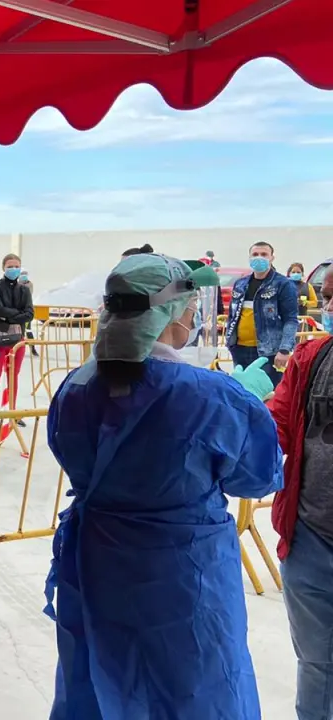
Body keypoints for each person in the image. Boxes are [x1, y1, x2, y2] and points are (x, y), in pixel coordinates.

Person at [44, 253, 282, 719]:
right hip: (184, 573)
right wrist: (250, 403)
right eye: (190, 307)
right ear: (171, 314)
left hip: (97, 564)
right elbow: (257, 478)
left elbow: (67, 451)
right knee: (195, 689)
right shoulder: (209, 394)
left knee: (100, 682)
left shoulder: (75, 387)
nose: (194, 317)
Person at [268, 292, 333, 720]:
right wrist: (238, 415)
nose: (329, 307)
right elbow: (277, 426)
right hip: (310, 538)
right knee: (316, 665)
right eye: (328, 297)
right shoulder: (311, 358)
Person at [225, 241, 299, 388]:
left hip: (268, 353)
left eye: (264, 254)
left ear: (272, 258)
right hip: (239, 350)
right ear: (249, 257)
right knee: (242, 391)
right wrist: (229, 341)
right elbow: (232, 315)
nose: (259, 257)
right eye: (255, 254)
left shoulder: (283, 284)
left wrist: (284, 349)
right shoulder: (240, 284)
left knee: (267, 393)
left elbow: (290, 319)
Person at [0, 253, 34, 422]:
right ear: (3, 268)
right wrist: (18, 315)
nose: (13, 269)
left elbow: (29, 314)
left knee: (13, 376)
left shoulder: (24, 290)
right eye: (10, 266)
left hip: (17, 340)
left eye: (16, 266)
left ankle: (12, 411)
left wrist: (8, 317)